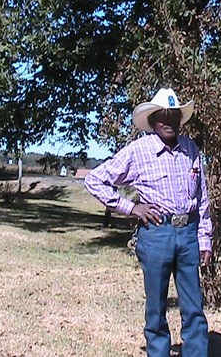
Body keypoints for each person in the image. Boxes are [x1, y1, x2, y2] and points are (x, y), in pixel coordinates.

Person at [84, 88, 212, 357]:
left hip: (188, 235)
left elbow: (202, 199)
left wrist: (204, 239)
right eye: (162, 117)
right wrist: (131, 207)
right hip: (156, 236)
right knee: (156, 308)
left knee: (194, 308)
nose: (168, 122)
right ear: (153, 121)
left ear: (179, 120)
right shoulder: (138, 151)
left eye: (173, 116)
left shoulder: (191, 149)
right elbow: (95, 180)